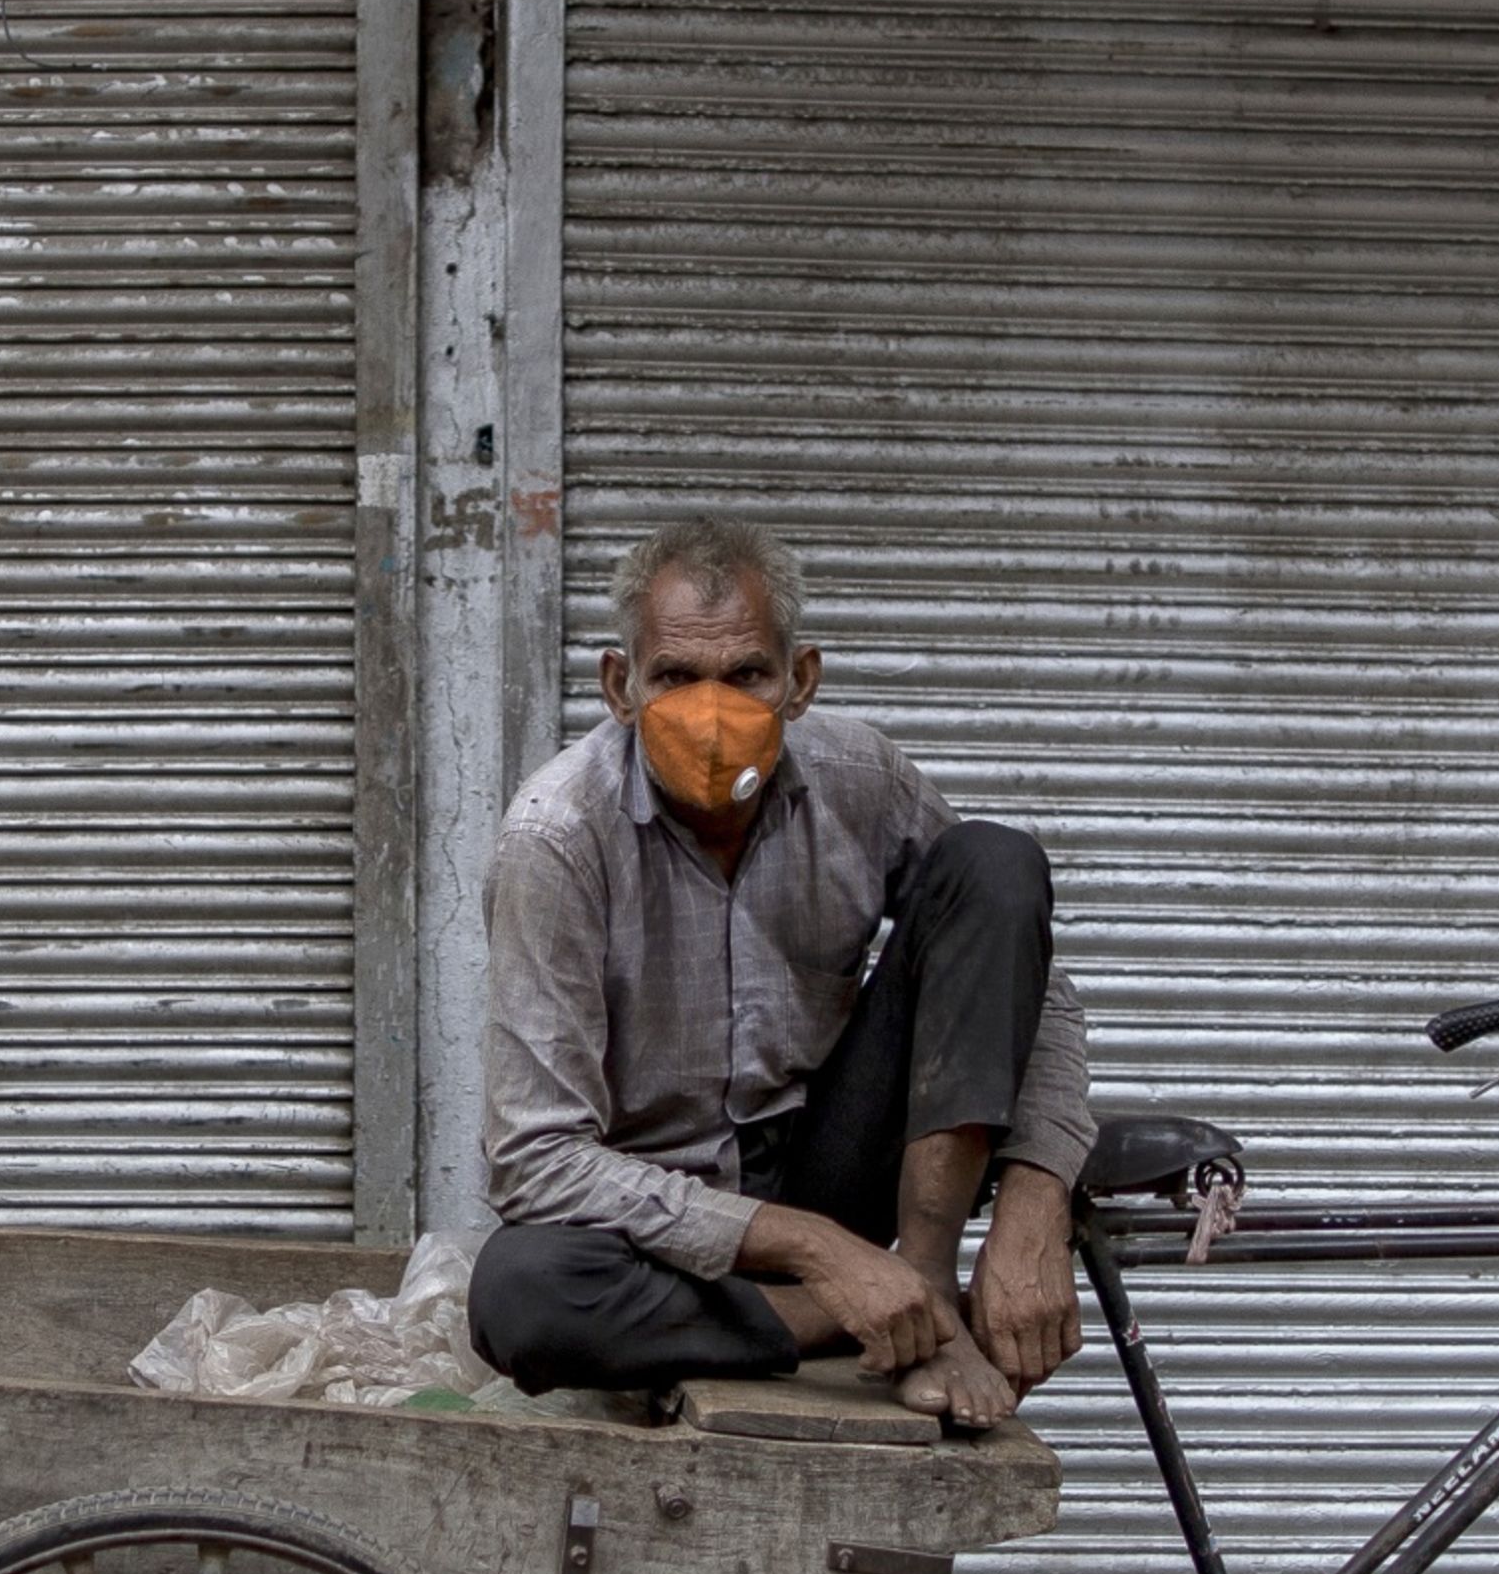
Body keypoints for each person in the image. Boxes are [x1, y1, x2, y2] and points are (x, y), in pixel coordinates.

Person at [467, 514, 1096, 1431]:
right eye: (674, 676)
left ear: (798, 681)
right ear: (619, 686)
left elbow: (1024, 988)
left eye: (746, 675)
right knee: (522, 1292)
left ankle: (921, 1277)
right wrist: (817, 1254)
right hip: (661, 1223)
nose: (710, 713)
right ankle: (878, 1317)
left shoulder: (862, 778)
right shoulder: (557, 839)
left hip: (829, 1157)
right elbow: (534, 1159)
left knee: (994, 864)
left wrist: (1037, 1198)